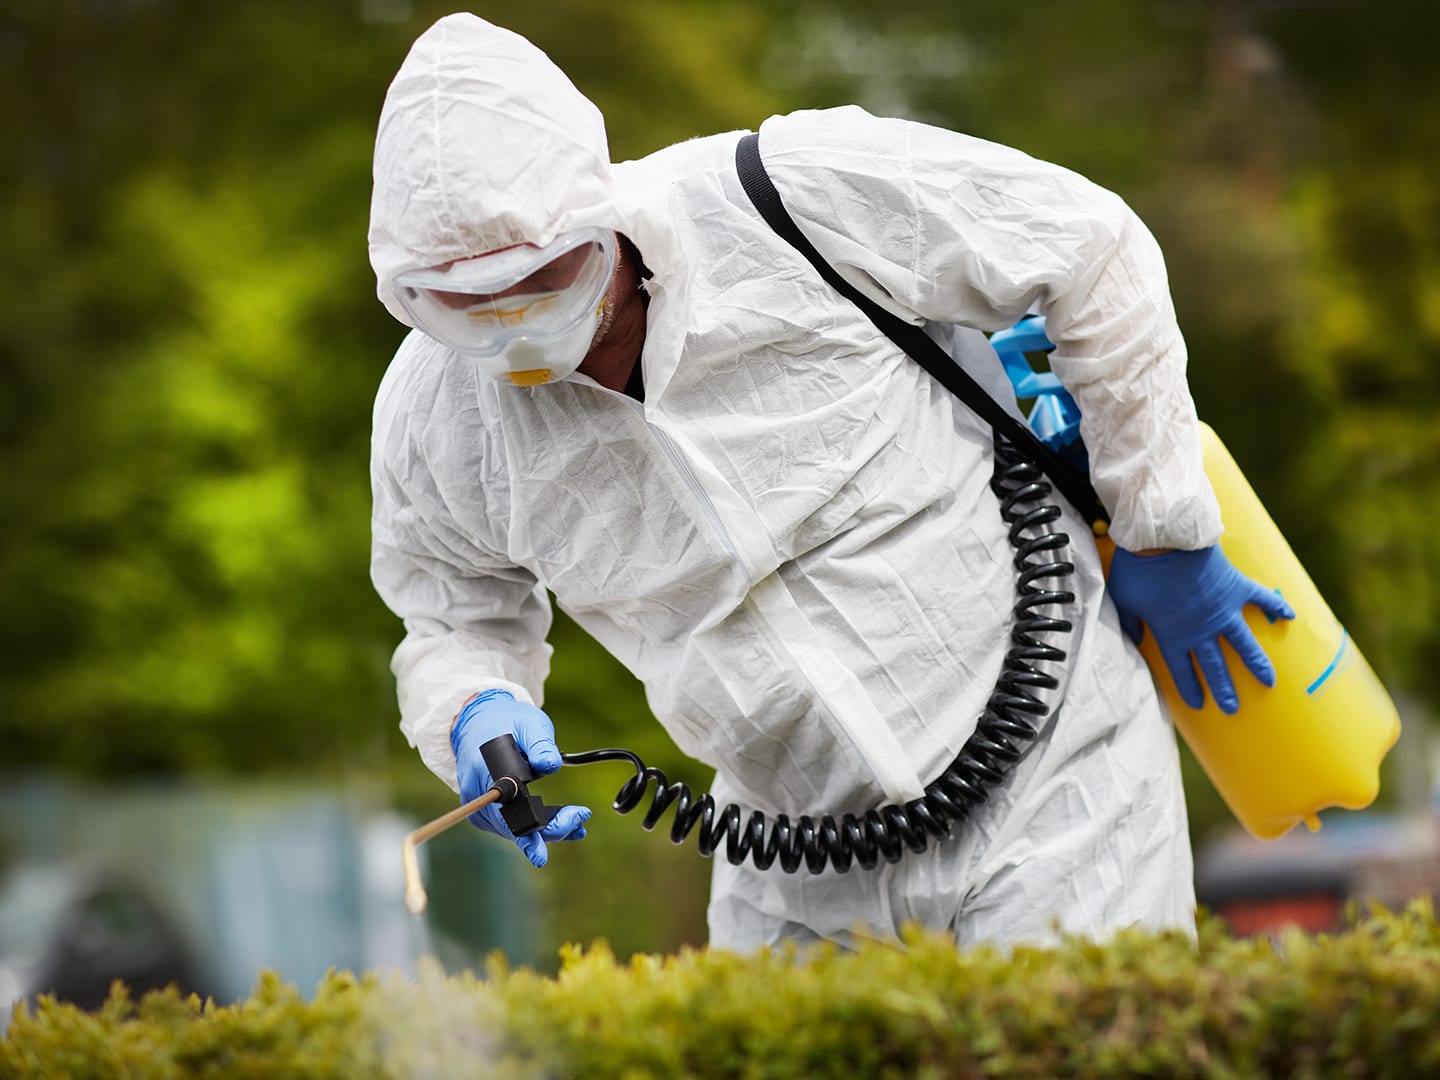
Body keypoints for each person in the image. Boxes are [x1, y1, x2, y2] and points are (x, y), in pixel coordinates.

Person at [367, 13, 1292, 952]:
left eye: (533, 276)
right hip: (797, 869)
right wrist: (474, 713)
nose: (509, 321)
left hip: (1058, 783)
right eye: (461, 302)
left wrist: (1163, 526)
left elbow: (1090, 247)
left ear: (598, 213)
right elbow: (453, 618)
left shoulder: (788, 197)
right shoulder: (431, 414)